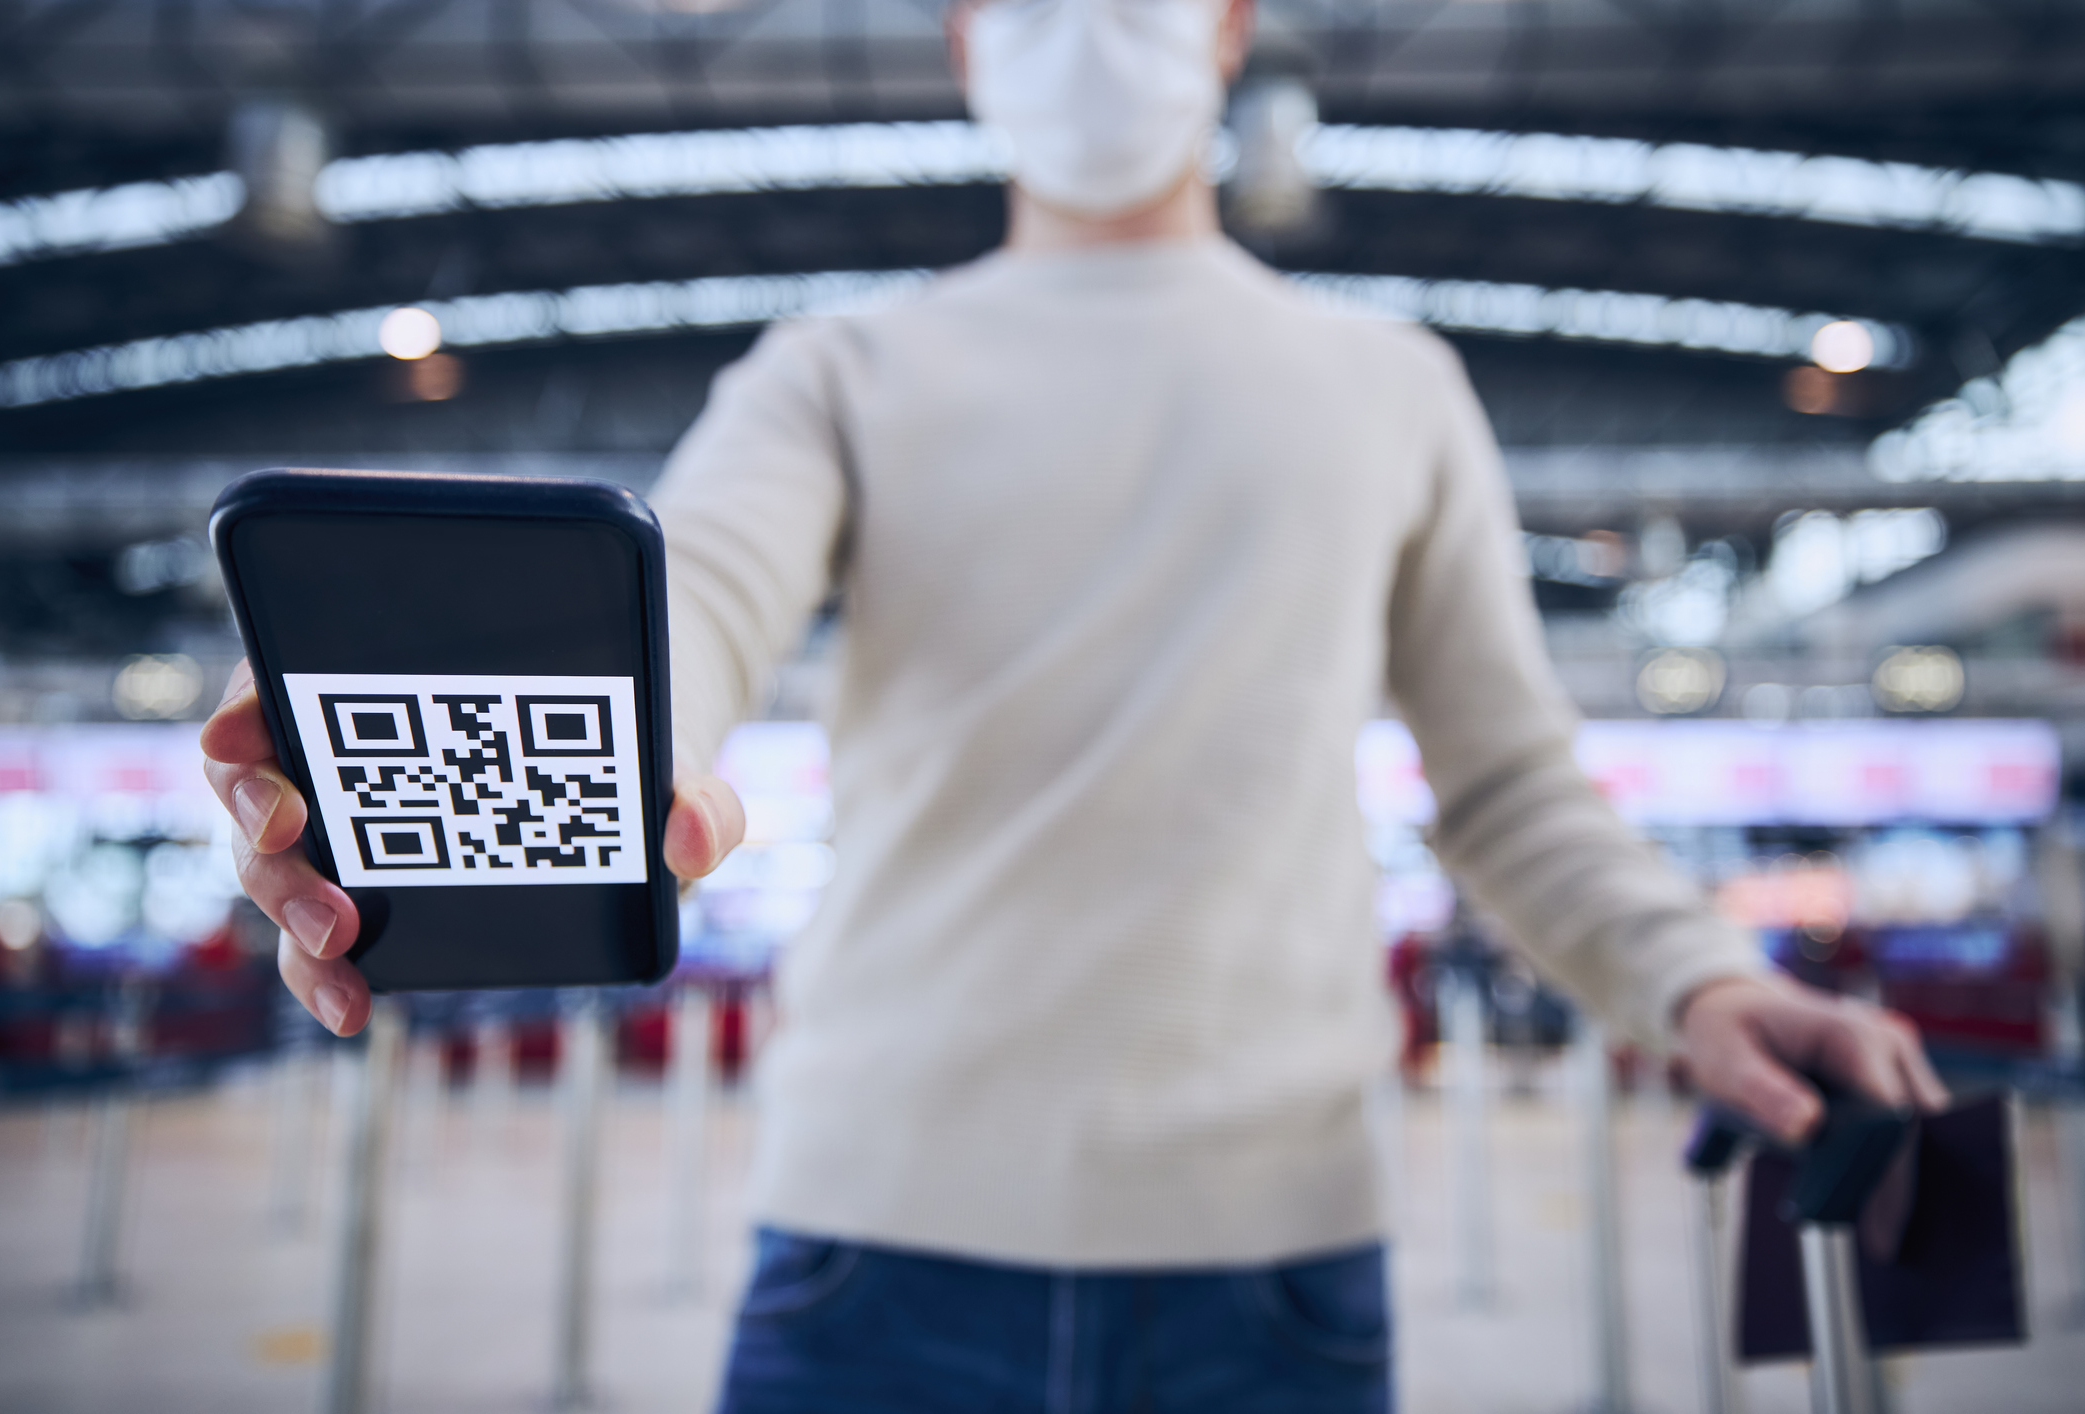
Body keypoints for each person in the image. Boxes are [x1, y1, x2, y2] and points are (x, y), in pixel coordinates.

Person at [202, 0, 1949, 1407]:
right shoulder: (836, 372)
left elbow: (1504, 785)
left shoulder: (1392, 388)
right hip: (874, 1251)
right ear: (965, 39)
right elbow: (696, 599)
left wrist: (1696, 978)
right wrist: (531, 719)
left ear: (1231, 25)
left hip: (1271, 1269)